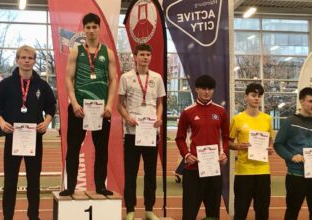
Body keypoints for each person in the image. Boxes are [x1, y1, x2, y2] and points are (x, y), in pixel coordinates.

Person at [0, 45, 56, 220]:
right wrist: (1, 122)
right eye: (23, 57)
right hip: (13, 139)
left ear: (35, 61)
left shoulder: (42, 85)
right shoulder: (5, 85)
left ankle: (33, 216)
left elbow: (51, 106)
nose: (27, 61)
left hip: (34, 139)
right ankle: (7, 217)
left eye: (31, 58)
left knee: (34, 182)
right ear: (17, 60)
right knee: (10, 182)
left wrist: (47, 122)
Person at [59, 12, 117, 196]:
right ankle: (70, 186)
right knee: (73, 148)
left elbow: (114, 80)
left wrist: (109, 106)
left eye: (94, 27)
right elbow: (68, 78)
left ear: (99, 29)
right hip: (79, 109)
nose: (91, 30)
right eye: (88, 27)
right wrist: (74, 103)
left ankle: (100, 186)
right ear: (84, 30)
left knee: (101, 150)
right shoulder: (77, 51)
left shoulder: (107, 53)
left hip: (101, 110)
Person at [117, 44, 165, 220]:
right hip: (132, 131)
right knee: (131, 172)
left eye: (148, 55)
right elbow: (119, 104)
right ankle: (130, 209)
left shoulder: (157, 77)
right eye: (142, 54)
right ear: (135, 57)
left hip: (151, 131)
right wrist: (127, 117)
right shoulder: (126, 77)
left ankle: (149, 209)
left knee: (150, 173)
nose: (145, 57)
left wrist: (159, 118)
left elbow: (160, 103)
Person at [175, 75, 229, 220]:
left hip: (213, 169)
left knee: (213, 213)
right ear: (196, 89)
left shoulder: (221, 111)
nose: (206, 92)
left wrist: (223, 153)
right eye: (203, 88)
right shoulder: (187, 112)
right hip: (193, 170)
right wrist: (186, 155)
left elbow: (226, 137)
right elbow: (179, 138)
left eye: (210, 89)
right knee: (189, 213)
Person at [274, 87, 312, 220]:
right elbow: (278, 144)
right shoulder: (290, 122)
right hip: (296, 177)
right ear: (301, 102)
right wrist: (291, 156)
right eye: (311, 101)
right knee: (292, 213)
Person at [229, 83, 274, 220]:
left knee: (262, 212)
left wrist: (270, 149)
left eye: (259, 96)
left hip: (263, 172)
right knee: (241, 211)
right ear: (246, 97)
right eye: (253, 95)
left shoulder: (267, 119)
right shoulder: (237, 119)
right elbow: (229, 142)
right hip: (244, 172)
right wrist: (239, 146)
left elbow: (270, 141)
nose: (257, 98)